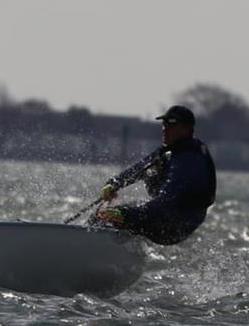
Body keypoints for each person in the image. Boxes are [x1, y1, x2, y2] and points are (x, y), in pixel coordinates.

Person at [92, 104, 216, 245]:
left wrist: (127, 216)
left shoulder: (188, 160)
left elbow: (166, 201)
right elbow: (140, 168)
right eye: (164, 123)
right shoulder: (169, 151)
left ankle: (91, 248)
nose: (165, 128)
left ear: (187, 129)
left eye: (172, 123)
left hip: (175, 225)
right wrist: (114, 183)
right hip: (162, 214)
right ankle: (119, 249)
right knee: (104, 214)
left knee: (109, 217)